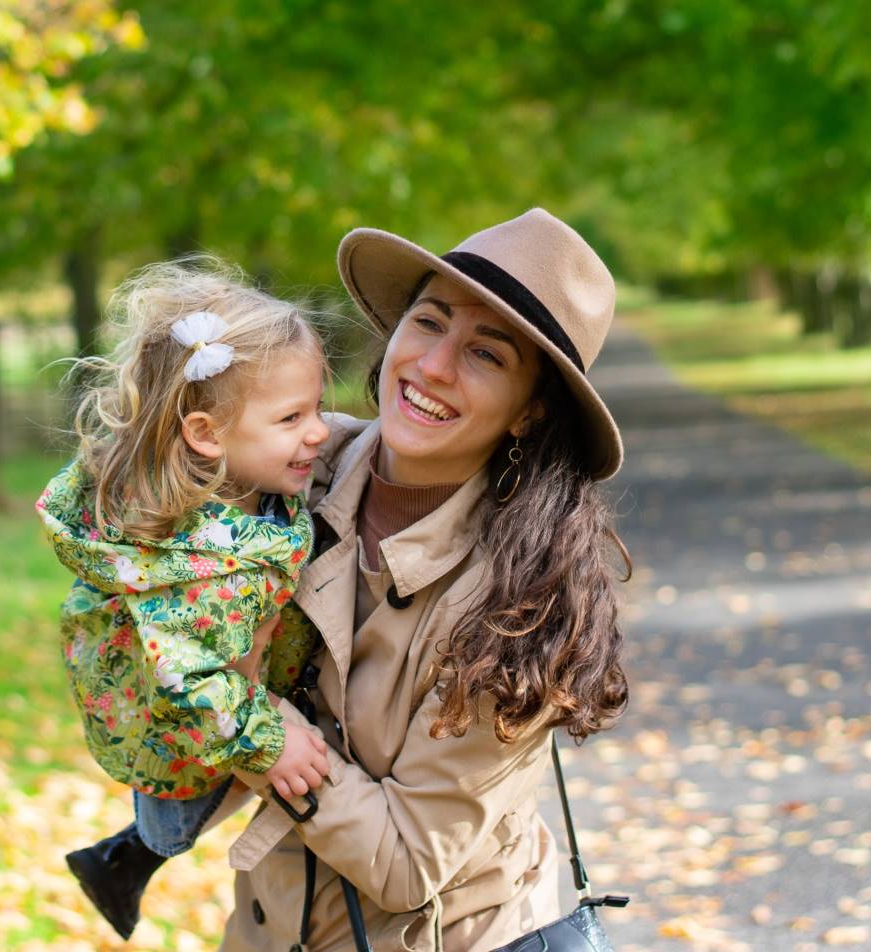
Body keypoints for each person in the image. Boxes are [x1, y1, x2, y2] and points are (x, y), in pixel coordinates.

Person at [218, 208, 631, 952]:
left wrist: (259, 733)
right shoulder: (285, 478)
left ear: (529, 412)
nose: (434, 366)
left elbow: (408, 862)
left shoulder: (524, 602)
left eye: (487, 355)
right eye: (429, 320)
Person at [35, 258, 332, 940]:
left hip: (220, 698)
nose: (318, 431)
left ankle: (120, 860)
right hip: (178, 731)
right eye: (293, 417)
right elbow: (184, 677)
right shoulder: (200, 568)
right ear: (205, 434)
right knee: (174, 823)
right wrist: (267, 737)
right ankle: (129, 857)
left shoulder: (240, 481)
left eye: (318, 407)